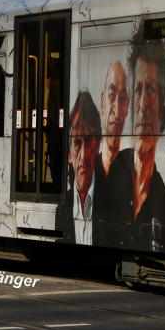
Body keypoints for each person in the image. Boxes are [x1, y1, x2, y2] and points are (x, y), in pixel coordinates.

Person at [113, 36, 165, 253]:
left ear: (163, 104)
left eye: (151, 89)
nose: (143, 106)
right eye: (138, 90)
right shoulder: (109, 174)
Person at [93, 60, 131, 245]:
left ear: (128, 107)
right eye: (111, 96)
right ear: (102, 102)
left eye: (122, 98)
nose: (116, 108)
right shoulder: (88, 168)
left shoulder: (133, 169)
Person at [61, 92, 101, 245]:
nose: (83, 156)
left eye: (89, 141)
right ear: (69, 154)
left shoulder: (112, 199)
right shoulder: (62, 206)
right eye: (77, 143)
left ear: (98, 146)